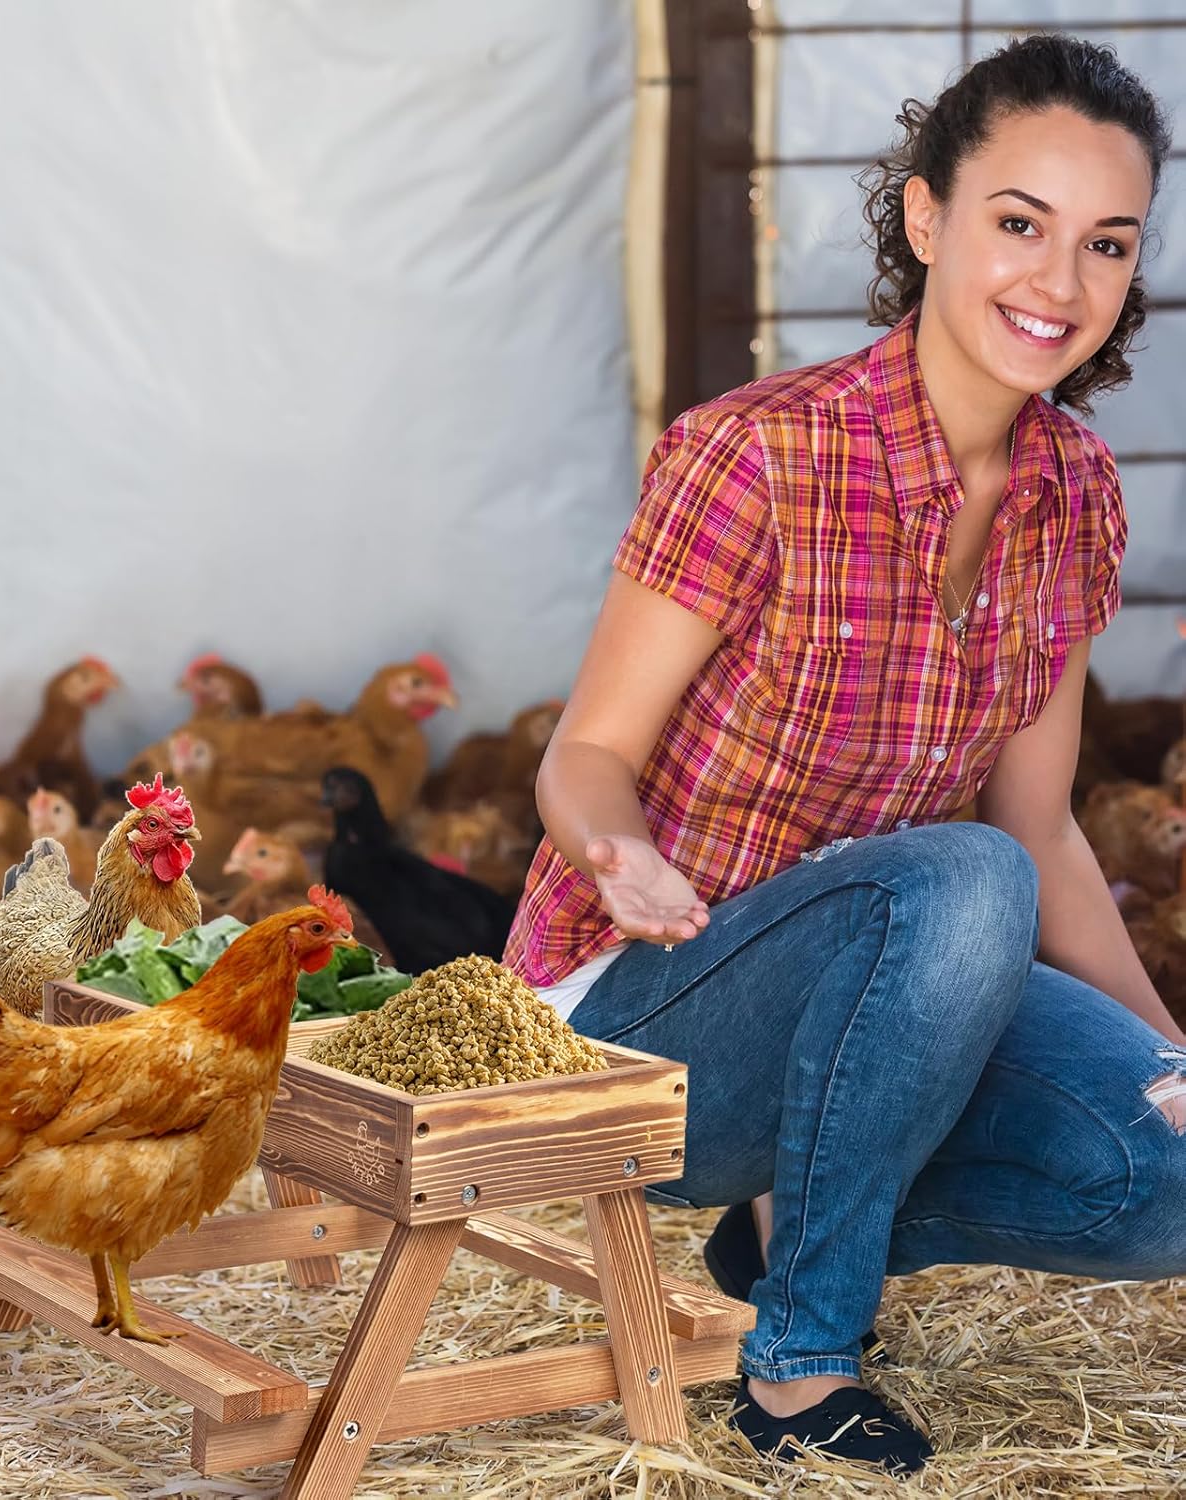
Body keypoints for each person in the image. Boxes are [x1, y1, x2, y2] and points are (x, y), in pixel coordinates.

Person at [505, 33, 1185, 1475]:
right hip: (644, 1013)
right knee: (956, 880)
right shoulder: (756, 456)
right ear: (928, 217)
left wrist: (1175, 1057)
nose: (1057, 286)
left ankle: (796, 1221)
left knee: (1170, 1168)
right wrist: (615, 855)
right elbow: (586, 755)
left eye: (1105, 245)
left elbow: (1046, 829)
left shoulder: (1075, 499)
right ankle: (802, 1363)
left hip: (908, 992)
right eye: (1019, 224)